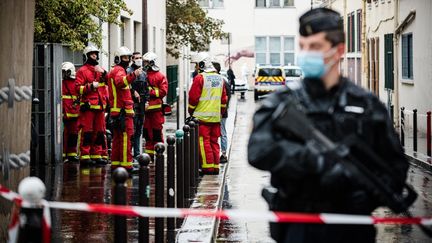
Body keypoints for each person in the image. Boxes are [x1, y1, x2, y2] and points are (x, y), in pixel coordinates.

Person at [247, 8, 409, 243]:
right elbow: (257, 150)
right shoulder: (282, 101)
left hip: (351, 227)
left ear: (339, 50)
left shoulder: (366, 105)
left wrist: (365, 196)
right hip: (298, 225)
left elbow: (395, 166)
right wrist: (313, 160)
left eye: (314, 47)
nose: (305, 54)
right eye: (302, 46)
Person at [188, 52, 228, 174]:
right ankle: (215, 166)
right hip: (215, 118)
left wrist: (191, 111)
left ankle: (208, 167)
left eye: (196, 65)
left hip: (202, 117)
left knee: (203, 142)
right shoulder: (220, 78)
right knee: (214, 142)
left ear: (201, 64)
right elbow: (223, 100)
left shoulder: (200, 78)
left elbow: (193, 98)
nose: (196, 68)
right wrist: (219, 113)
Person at [107, 46, 143, 172]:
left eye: (128, 57)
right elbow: (120, 82)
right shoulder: (119, 71)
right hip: (123, 112)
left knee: (117, 139)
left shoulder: (116, 70)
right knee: (126, 139)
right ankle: (126, 165)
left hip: (118, 111)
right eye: (124, 57)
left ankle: (116, 164)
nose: (127, 60)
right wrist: (134, 74)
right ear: (118, 58)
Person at [75, 45, 108, 166]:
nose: (94, 56)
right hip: (88, 107)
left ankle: (96, 154)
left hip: (99, 107)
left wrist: (104, 73)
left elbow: (109, 81)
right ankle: (85, 156)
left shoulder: (99, 69)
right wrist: (90, 86)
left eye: (95, 54)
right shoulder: (82, 71)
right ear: (87, 56)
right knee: (87, 132)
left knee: (99, 132)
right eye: (92, 54)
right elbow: (77, 89)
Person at [142, 52, 168, 159]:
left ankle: (159, 154)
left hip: (156, 110)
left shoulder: (160, 76)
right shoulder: (143, 75)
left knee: (157, 133)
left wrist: (149, 92)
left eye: (146, 62)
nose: (144, 64)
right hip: (146, 110)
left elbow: (163, 92)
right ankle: (149, 155)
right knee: (147, 134)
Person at [127, 52, 149, 158]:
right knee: (133, 128)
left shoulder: (144, 73)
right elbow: (125, 85)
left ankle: (136, 152)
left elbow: (146, 88)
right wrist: (133, 91)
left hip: (141, 104)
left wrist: (147, 101)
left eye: (140, 58)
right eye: (137, 58)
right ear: (132, 59)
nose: (139, 59)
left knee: (139, 129)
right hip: (132, 104)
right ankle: (129, 152)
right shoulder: (129, 71)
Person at [212, 61, 231, 163]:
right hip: (216, 112)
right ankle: (218, 154)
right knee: (218, 133)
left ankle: (223, 154)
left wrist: (222, 111)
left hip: (221, 112)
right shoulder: (220, 80)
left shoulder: (222, 81)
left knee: (222, 132)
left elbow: (226, 98)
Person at [61, 62, 80, 162]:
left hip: (73, 112)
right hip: (66, 112)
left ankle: (72, 154)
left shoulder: (76, 82)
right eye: (63, 72)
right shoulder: (61, 82)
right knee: (66, 134)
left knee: (73, 134)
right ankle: (64, 153)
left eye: (66, 71)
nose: (65, 74)